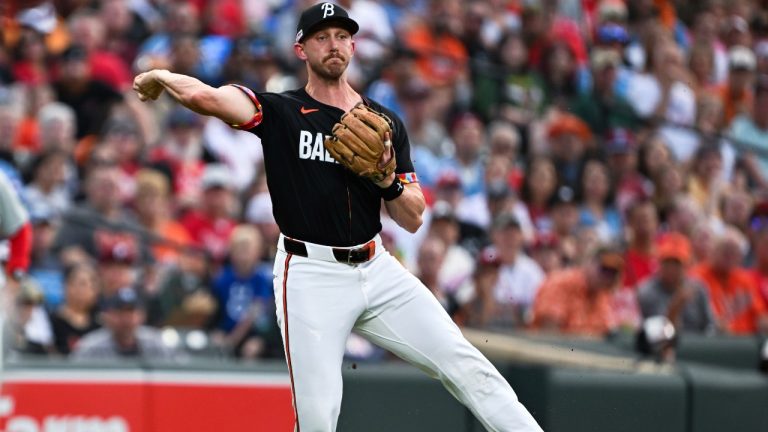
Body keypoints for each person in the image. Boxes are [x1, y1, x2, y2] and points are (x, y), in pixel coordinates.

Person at [132, 3, 542, 431]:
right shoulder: (281, 112)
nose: (334, 45)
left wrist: (388, 182)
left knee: (469, 366)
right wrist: (163, 78)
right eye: (322, 37)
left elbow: (414, 216)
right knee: (318, 418)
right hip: (310, 274)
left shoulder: (384, 123)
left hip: (377, 266)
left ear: (354, 45)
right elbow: (211, 98)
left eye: (342, 36)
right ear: (301, 49)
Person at [531, 246, 625, 336]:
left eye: (613, 273)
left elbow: (605, 332)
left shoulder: (604, 295)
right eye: (605, 270)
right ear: (590, 262)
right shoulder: (560, 283)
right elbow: (549, 334)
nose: (607, 277)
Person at [72, 286, 185, 362]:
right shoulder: (91, 346)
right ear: (108, 316)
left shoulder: (156, 342)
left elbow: (181, 370)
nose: (126, 318)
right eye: (120, 312)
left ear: (142, 315)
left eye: (131, 312)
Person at [637, 233, 715, 333]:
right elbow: (655, 334)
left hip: (697, 345)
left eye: (676, 263)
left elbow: (710, 326)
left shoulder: (698, 288)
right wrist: (675, 307)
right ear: (660, 263)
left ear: (687, 265)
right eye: (667, 262)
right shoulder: (646, 291)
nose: (671, 268)